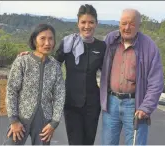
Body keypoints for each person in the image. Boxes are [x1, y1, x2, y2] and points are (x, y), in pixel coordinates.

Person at [100, 9, 164, 145]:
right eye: (124, 23)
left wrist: (146, 107)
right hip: (111, 104)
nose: (127, 27)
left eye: (132, 24)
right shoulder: (110, 41)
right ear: (119, 24)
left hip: (135, 106)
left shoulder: (149, 47)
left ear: (139, 25)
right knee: (107, 143)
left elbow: (156, 82)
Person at [3, 24, 65, 145]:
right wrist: (14, 121)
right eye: (42, 38)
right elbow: (11, 91)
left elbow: (60, 95)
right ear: (34, 40)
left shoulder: (55, 66)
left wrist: (53, 123)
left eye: (51, 38)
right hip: (21, 118)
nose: (47, 43)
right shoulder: (22, 61)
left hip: (44, 122)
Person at [55, 4, 106, 145]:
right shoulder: (67, 43)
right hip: (71, 102)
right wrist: (31, 56)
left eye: (91, 22)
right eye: (83, 22)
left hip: (92, 104)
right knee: (75, 142)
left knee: (88, 142)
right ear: (78, 23)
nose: (87, 26)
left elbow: (109, 73)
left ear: (96, 23)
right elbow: (52, 65)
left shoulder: (102, 47)